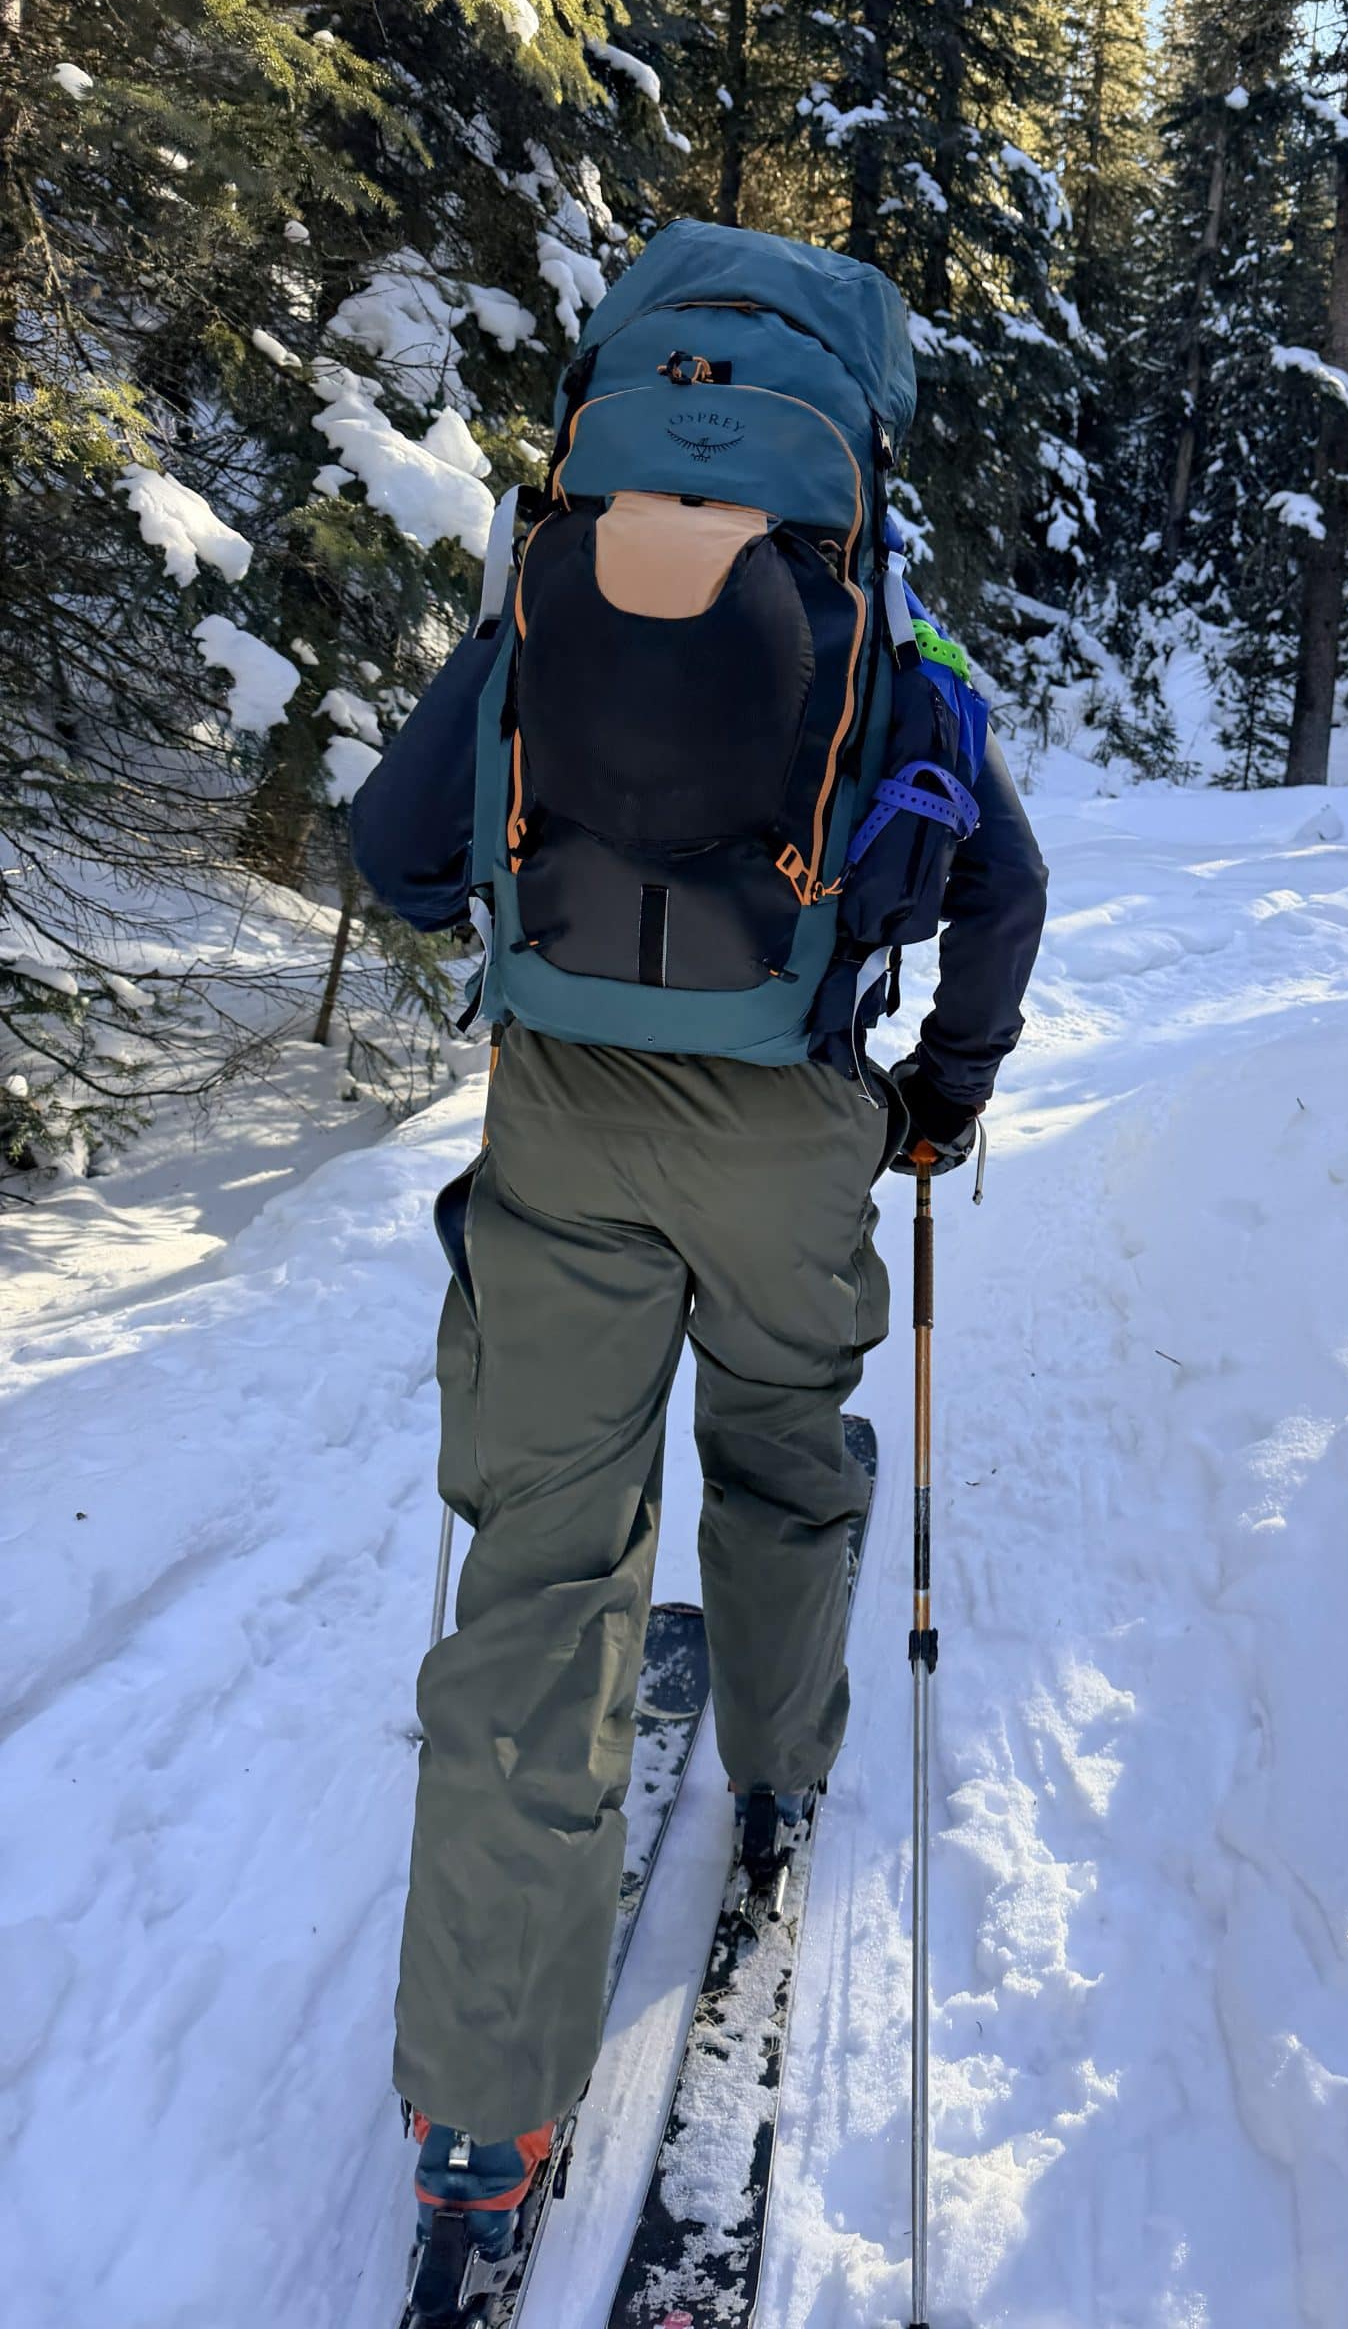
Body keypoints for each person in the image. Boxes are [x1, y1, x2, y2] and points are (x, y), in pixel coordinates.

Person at [350, 493, 1046, 2281]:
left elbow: (400, 849)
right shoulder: (891, 632)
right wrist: (943, 1089)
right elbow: (1006, 882)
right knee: (783, 1442)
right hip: (794, 1126)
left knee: (543, 1568)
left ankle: (485, 2126)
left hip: (561, 1115)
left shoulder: (544, 598)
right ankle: (781, 1768)